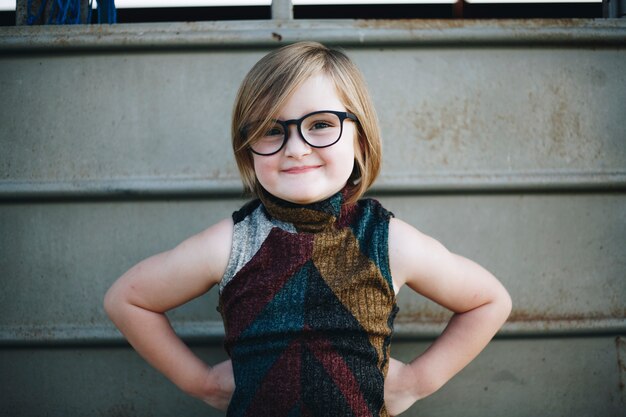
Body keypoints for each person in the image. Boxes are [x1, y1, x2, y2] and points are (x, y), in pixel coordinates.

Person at [104, 41, 512, 417]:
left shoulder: (386, 241)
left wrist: (417, 382)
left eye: (320, 124)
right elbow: (128, 300)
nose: (296, 147)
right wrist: (204, 383)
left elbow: (489, 301)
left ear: (361, 142)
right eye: (270, 129)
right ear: (248, 151)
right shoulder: (232, 244)